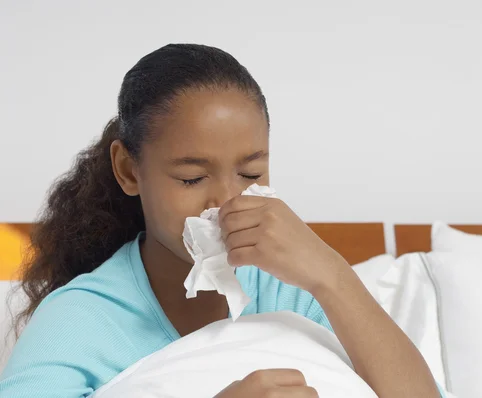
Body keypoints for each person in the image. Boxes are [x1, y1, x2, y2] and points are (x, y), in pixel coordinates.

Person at [0, 44, 443, 398]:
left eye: (251, 174)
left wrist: (330, 274)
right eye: (192, 178)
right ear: (129, 170)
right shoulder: (80, 320)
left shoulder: (294, 291)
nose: (226, 202)